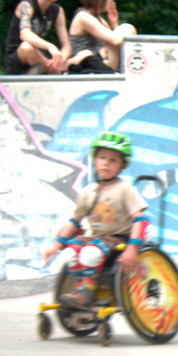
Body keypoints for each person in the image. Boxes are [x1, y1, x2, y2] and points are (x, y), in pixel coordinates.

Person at [43, 131, 149, 309]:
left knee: (90, 252)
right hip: (98, 238)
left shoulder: (125, 189)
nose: (106, 163)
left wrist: (132, 248)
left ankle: (86, 292)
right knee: (70, 252)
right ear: (95, 160)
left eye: (113, 160)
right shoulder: (89, 191)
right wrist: (57, 244)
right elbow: (74, 221)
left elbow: (140, 220)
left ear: (122, 165)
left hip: (120, 238)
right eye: (102, 158)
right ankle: (82, 288)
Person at [3, 0, 71, 75]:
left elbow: (66, 46)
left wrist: (60, 59)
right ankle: (55, 73)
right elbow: (25, 35)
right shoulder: (27, 5)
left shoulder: (58, 11)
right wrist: (51, 46)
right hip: (17, 59)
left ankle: (47, 69)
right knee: (27, 47)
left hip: (39, 58)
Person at [66, 0, 136, 73]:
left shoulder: (100, 19)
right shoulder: (83, 17)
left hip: (97, 62)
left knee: (126, 32)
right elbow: (115, 40)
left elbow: (118, 42)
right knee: (127, 28)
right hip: (85, 65)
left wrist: (114, 23)